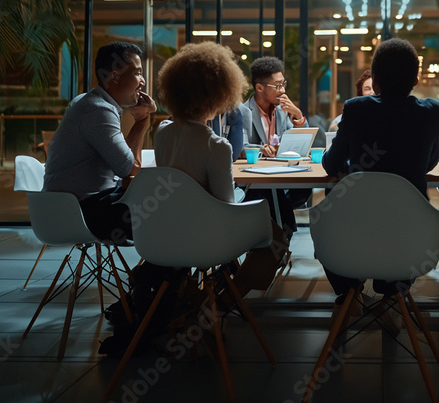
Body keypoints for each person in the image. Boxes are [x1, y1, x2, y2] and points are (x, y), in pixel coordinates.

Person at [321, 38, 439, 309]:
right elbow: (429, 163)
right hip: (413, 239)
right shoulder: (434, 112)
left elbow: (331, 165)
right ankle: (392, 298)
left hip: (356, 234)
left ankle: (350, 293)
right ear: (415, 80)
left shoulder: (356, 108)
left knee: (327, 211)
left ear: (374, 81)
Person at [155, 42, 286, 298]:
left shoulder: (162, 134)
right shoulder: (216, 145)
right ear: (219, 93)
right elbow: (226, 204)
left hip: (166, 229)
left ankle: (201, 299)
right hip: (207, 234)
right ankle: (228, 299)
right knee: (276, 236)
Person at [43, 41, 156, 244]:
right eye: (138, 73)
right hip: (81, 213)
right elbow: (129, 169)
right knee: (165, 212)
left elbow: (128, 165)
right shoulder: (98, 111)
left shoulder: (88, 102)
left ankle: (161, 274)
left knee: (163, 207)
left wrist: (141, 121)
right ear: (114, 76)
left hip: (70, 207)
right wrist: (142, 122)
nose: (143, 81)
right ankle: (162, 274)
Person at [239, 56, 312, 237]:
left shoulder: (281, 112)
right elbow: (240, 146)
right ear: (259, 87)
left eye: (283, 84)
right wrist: (261, 149)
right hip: (255, 183)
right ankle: (281, 238)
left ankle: (277, 243)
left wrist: (298, 115)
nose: (283, 90)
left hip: (281, 178)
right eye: (278, 86)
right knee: (273, 196)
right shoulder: (243, 112)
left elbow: (302, 142)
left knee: (304, 187)